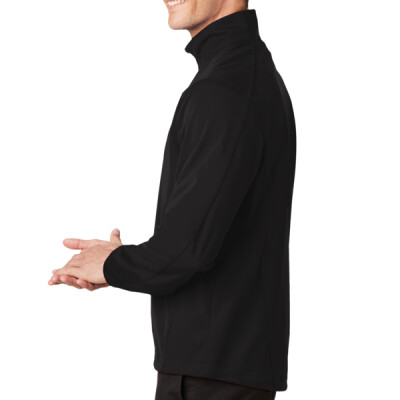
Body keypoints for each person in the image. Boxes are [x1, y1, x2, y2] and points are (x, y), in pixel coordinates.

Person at [49, 1, 296, 399]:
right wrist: (121, 264)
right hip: (220, 369)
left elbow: (187, 250)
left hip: (212, 377)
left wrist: (112, 265)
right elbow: (197, 239)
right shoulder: (241, 75)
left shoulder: (227, 88)